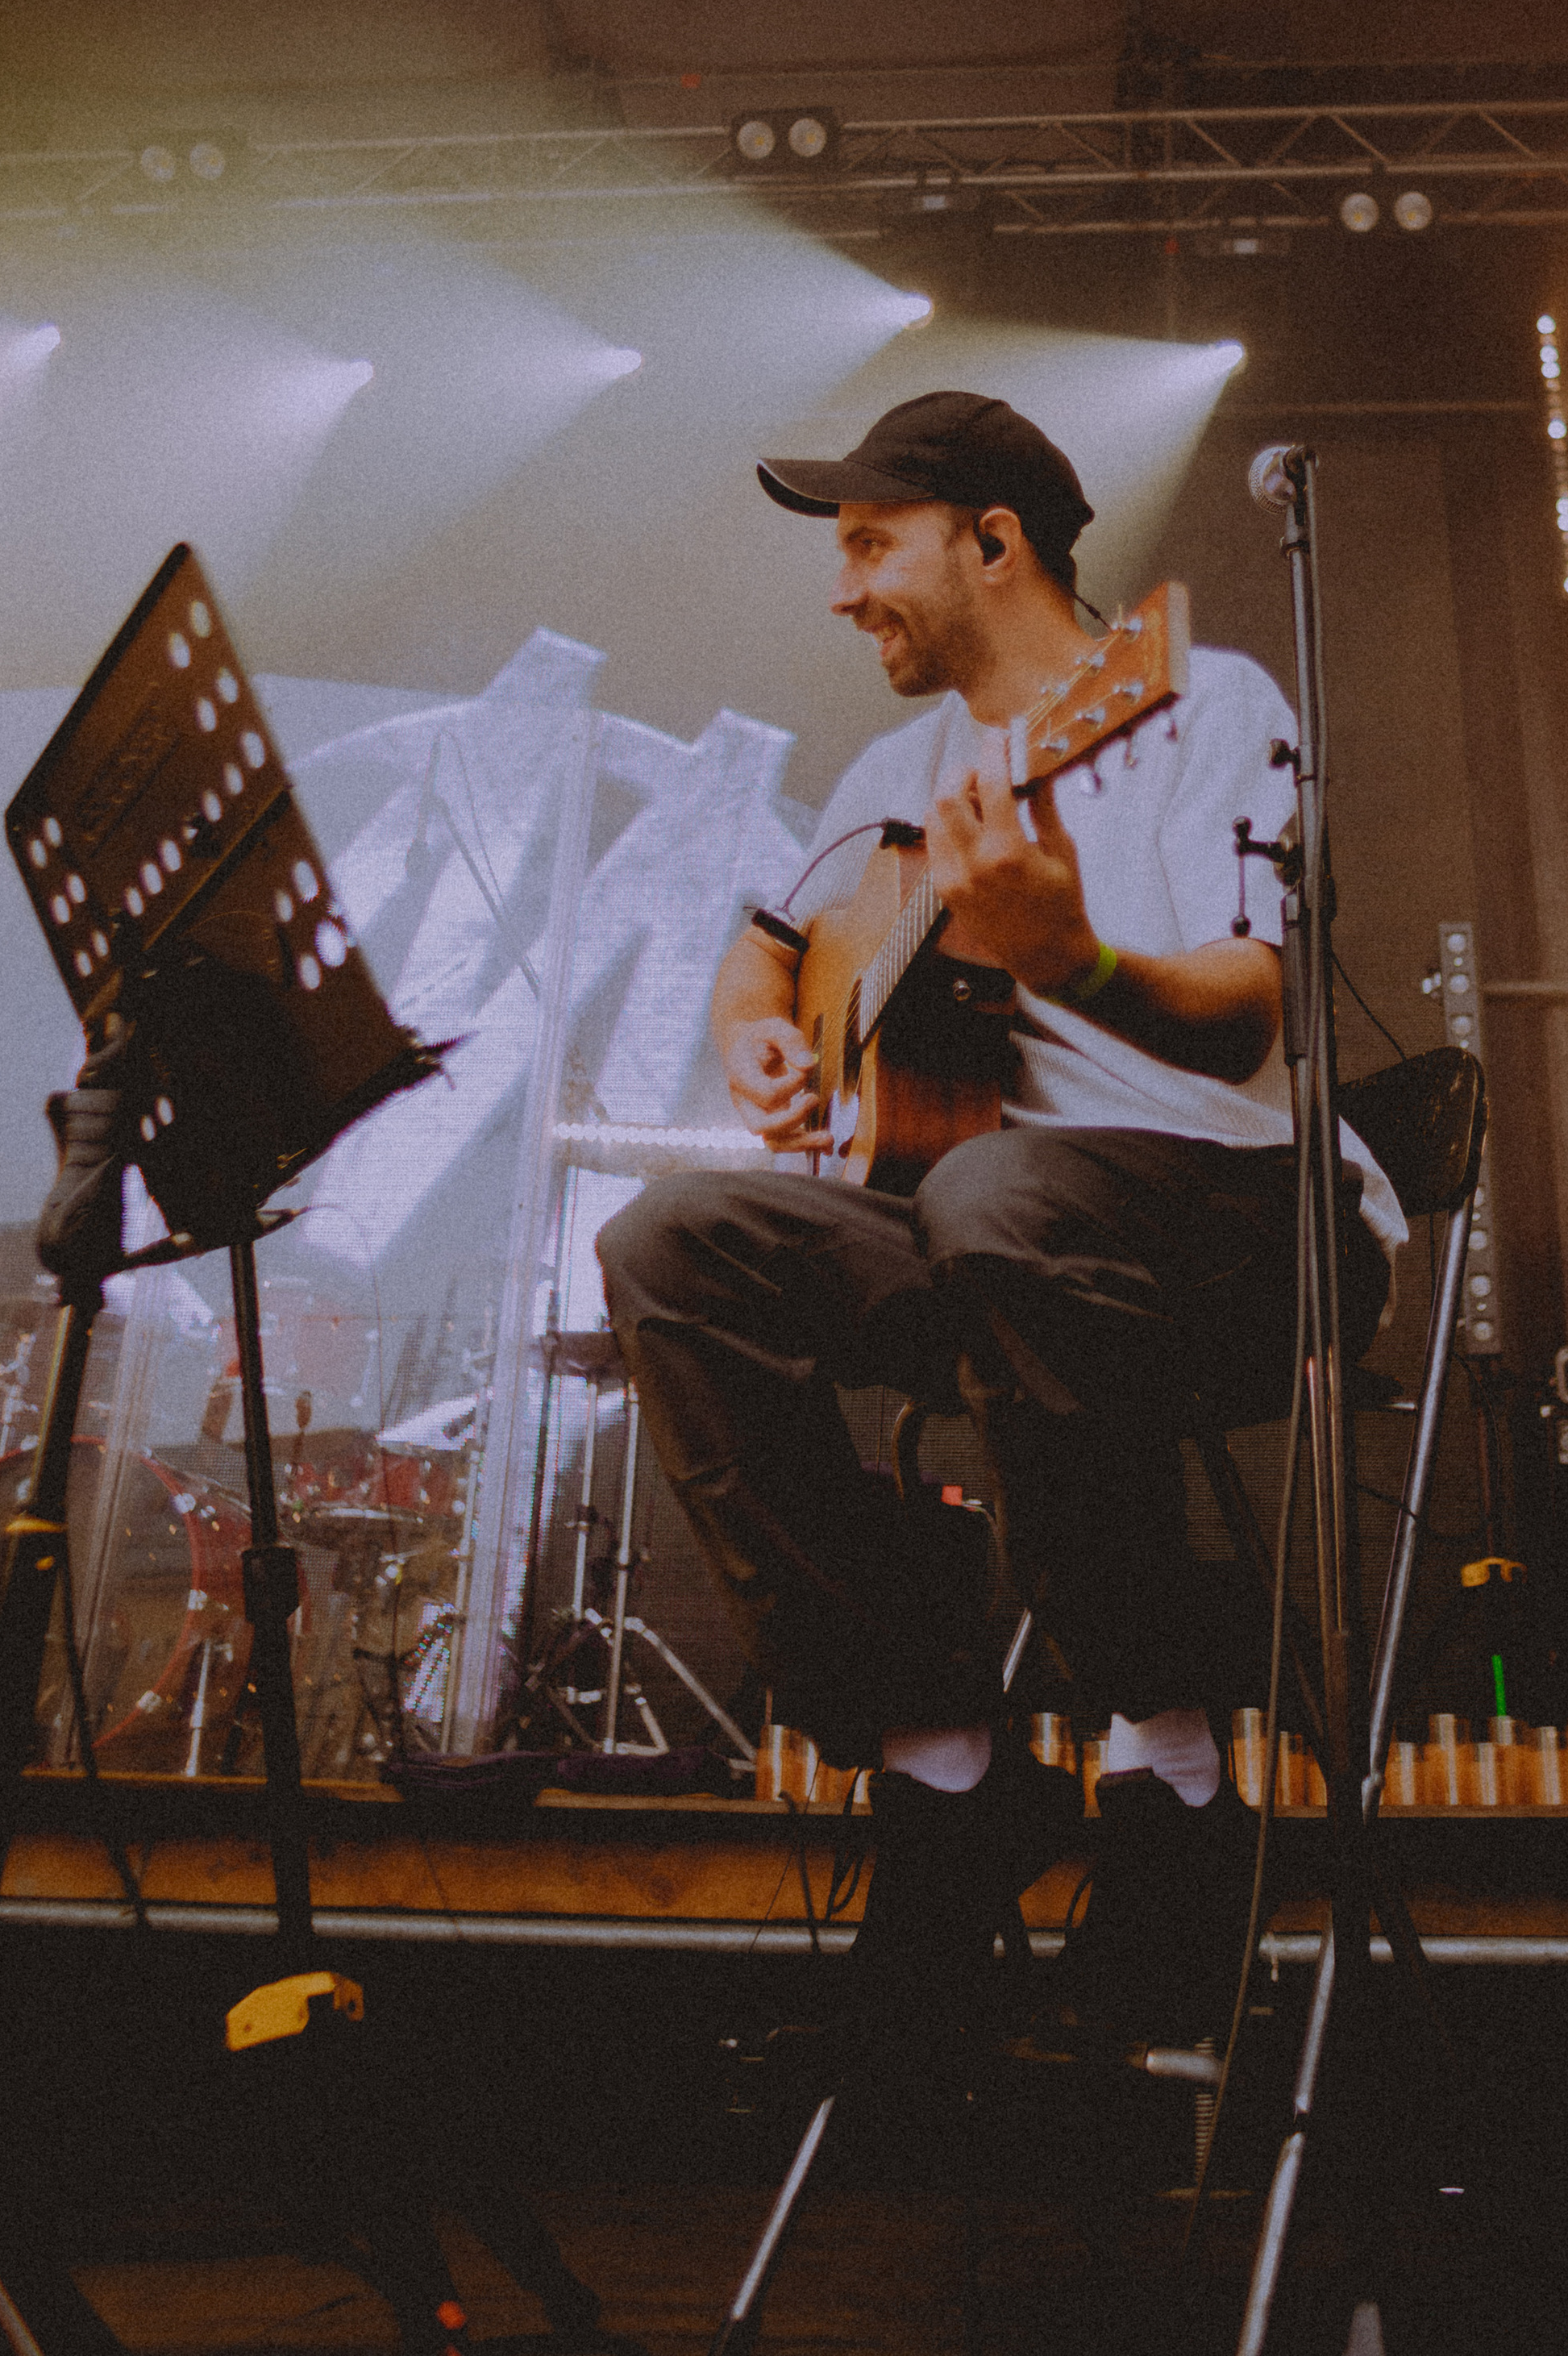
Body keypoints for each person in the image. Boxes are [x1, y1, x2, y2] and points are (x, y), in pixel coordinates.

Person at [597, 390, 1401, 2050]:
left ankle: (1168, 1780)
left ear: (992, 542)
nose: (842, 591)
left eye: (867, 543)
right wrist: (762, 1022)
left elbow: (1245, 1013)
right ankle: (943, 1772)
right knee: (669, 1243)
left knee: (992, 1190)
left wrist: (1072, 960)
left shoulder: (1201, 707)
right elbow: (771, 937)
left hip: (1239, 1221)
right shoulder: (902, 768)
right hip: (995, 1233)